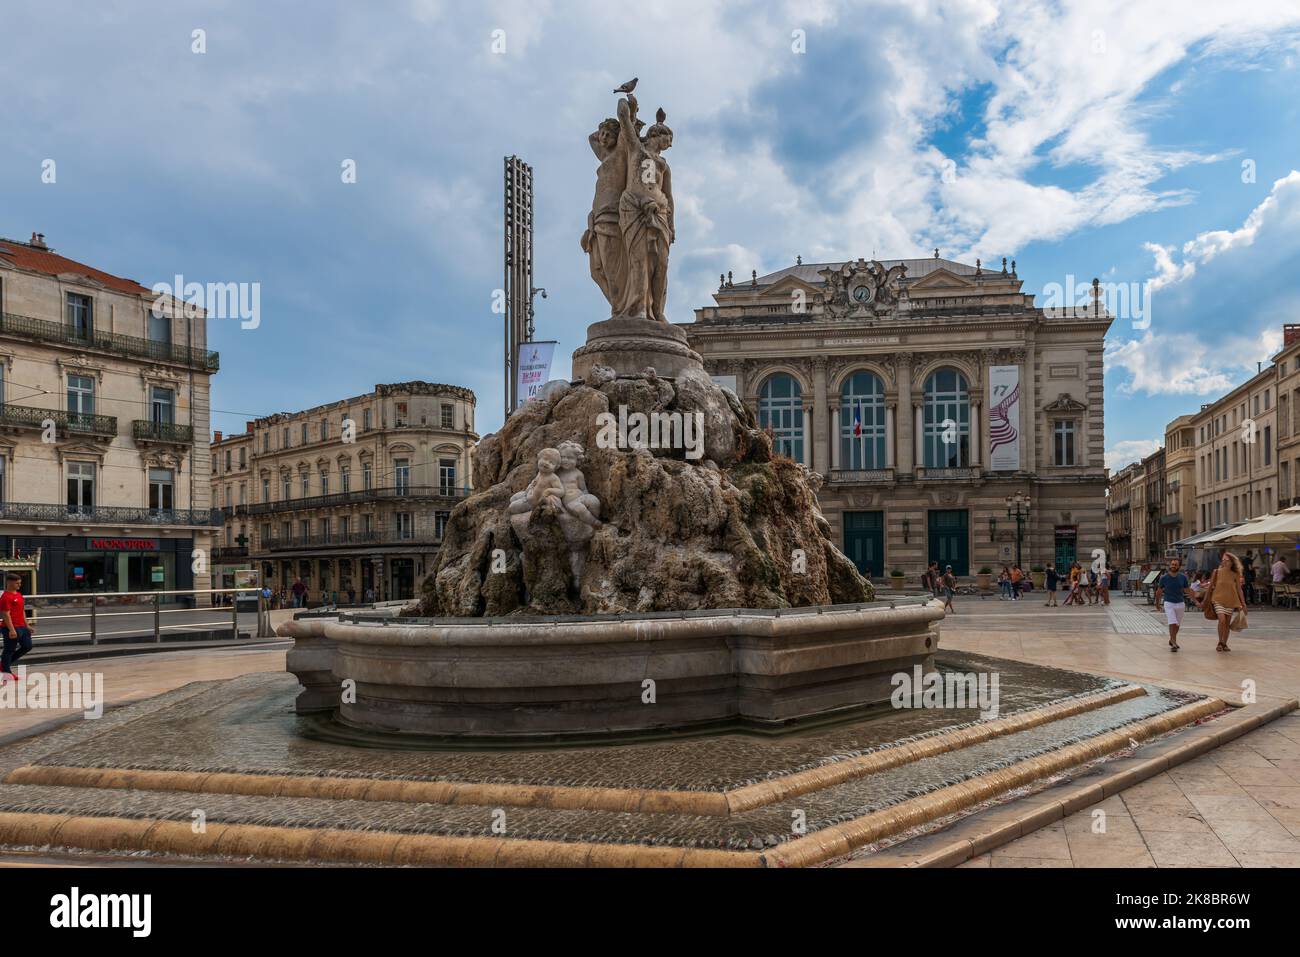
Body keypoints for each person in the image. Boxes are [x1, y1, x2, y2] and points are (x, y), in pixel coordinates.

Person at [1205, 552, 1247, 653]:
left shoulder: (1235, 574)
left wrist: (1243, 603)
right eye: (1223, 560)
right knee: (1222, 620)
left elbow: (1239, 589)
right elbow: (1210, 587)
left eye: (1226, 560)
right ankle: (1220, 642)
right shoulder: (1216, 572)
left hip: (1231, 600)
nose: (1224, 562)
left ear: (1232, 562)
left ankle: (1224, 643)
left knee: (1227, 623)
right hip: (1217, 599)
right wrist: (1204, 600)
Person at [0, 573, 34, 682]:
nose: (19, 585)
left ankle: (3, 665)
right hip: (11, 628)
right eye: (17, 583)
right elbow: (5, 614)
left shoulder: (19, 595)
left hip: (22, 627)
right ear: (9, 582)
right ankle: (6, 672)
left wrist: (27, 625)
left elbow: (22, 611)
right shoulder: (5, 597)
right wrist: (11, 629)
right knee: (9, 650)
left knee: (27, 646)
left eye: (20, 583)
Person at [1155, 557, 1191, 652]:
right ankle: (1174, 642)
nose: (1173, 566)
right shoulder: (1164, 578)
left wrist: (1196, 601)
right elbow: (1159, 591)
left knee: (1177, 624)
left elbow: (1187, 590)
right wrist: (1157, 604)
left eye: (1175, 564)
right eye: (1172, 564)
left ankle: (1172, 639)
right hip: (1168, 602)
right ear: (1170, 565)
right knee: (1172, 622)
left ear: (1179, 566)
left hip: (1180, 603)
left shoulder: (1183, 577)